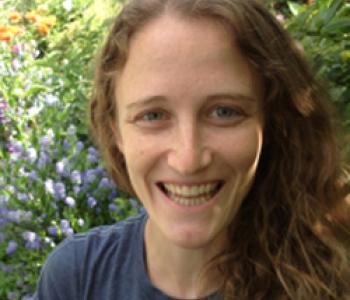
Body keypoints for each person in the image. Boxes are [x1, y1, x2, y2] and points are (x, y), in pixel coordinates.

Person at [33, 0, 350, 299]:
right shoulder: (76, 279)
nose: (188, 160)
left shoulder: (336, 279)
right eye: (153, 116)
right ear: (116, 130)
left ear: (272, 122)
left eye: (224, 112)